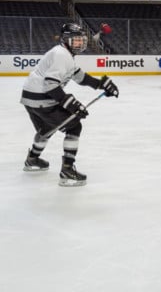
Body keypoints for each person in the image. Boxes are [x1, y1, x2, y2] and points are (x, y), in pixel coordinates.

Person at [20, 22, 119, 187]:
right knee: (74, 127)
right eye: (76, 40)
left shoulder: (64, 54)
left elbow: (80, 77)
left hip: (30, 98)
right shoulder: (62, 55)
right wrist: (69, 104)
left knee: (47, 129)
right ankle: (67, 170)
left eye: (81, 40)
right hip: (41, 98)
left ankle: (32, 159)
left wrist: (101, 84)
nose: (80, 43)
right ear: (66, 40)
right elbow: (50, 84)